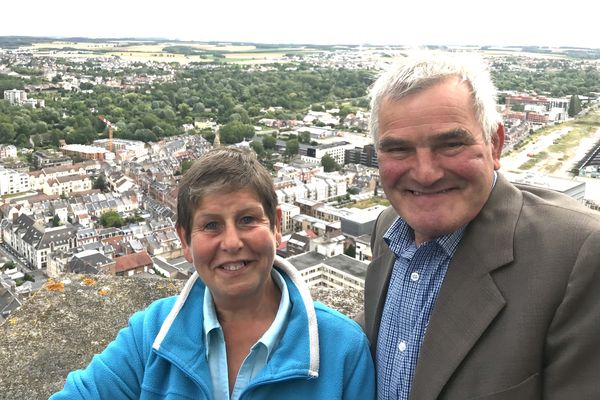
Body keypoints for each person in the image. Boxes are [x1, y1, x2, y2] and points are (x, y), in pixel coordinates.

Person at [362, 51, 600, 399]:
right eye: (398, 150)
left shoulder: (578, 254)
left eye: (451, 144)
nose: (426, 173)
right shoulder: (387, 228)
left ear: (495, 143)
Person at [52, 147, 375, 399]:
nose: (232, 242)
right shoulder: (152, 332)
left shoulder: (342, 347)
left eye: (248, 219)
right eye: (210, 225)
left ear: (277, 226)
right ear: (185, 242)